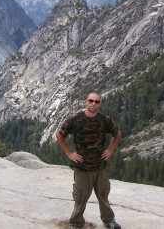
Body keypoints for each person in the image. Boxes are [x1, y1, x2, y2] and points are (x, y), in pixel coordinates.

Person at [56, 92, 122, 229]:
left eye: (97, 102)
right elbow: (59, 134)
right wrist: (69, 153)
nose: (93, 104)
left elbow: (117, 133)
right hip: (82, 167)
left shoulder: (104, 120)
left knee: (103, 195)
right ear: (86, 101)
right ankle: (76, 223)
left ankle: (109, 220)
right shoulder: (75, 119)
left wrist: (110, 150)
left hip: (100, 167)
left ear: (100, 104)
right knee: (80, 198)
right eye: (91, 101)